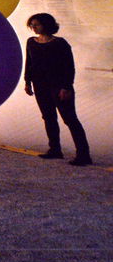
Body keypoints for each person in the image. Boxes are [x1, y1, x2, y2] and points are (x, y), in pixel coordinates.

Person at [23, 12, 93, 165]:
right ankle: (55, 149)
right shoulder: (31, 42)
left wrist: (66, 87)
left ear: (47, 24)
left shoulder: (60, 43)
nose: (34, 28)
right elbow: (29, 63)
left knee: (70, 119)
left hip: (58, 86)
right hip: (40, 85)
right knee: (48, 117)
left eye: (37, 24)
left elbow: (69, 67)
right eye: (32, 25)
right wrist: (27, 81)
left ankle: (83, 154)